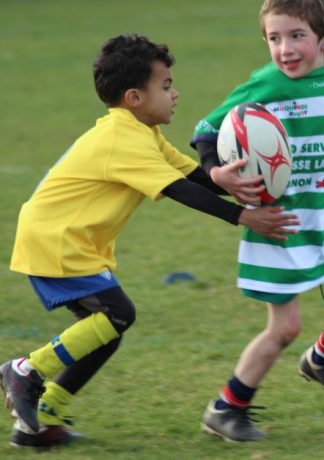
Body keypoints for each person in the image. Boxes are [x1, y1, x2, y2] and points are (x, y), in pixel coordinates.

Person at [0, 34, 299, 449]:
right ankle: (26, 371)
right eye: (166, 86)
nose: (175, 94)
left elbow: (192, 175)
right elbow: (178, 189)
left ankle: (41, 423)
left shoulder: (143, 133)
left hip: (62, 239)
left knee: (105, 329)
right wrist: (242, 215)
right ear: (135, 97)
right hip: (56, 240)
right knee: (117, 315)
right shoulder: (123, 139)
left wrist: (230, 180)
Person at [191, 0, 324, 442]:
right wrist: (216, 172)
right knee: (284, 329)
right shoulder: (267, 83)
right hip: (278, 223)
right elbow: (205, 128)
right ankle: (226, 409)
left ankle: (323, 359)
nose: (284, 49)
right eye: (274, 38)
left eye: (296, 36)